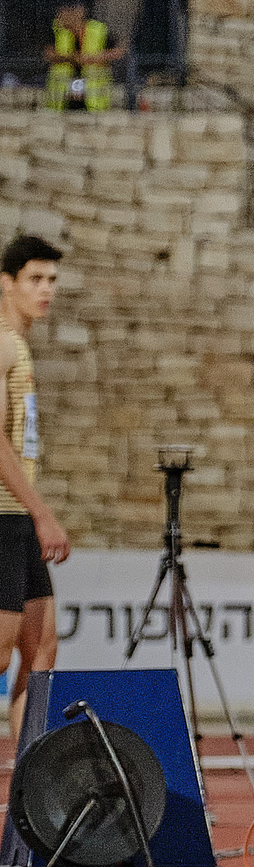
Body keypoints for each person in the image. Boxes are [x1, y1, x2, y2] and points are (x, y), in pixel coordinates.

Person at [0, 237, 71, 740]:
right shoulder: (1, 342)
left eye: (52, 281)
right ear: (8, 283)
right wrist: (41, 512)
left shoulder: (19, 346)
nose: (46, 290)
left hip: (16, 518)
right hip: (4, 517)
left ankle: (30, 784)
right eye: (35, 280)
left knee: (42, 649)